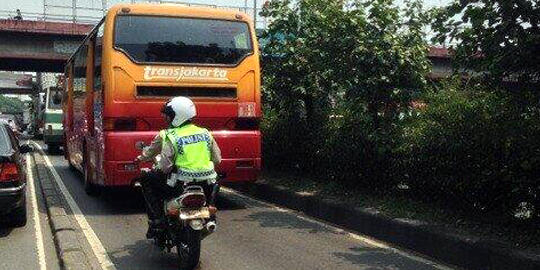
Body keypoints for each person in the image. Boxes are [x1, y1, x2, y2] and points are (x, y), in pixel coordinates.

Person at [135, 96, 221, 238]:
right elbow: (217, 159)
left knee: (146, 178)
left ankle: (157, 220)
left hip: (180, 184)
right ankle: (210, 218)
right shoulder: (205, 133)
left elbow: (164, 167)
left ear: (177, 116)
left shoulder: (171, 136)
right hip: (207, 184)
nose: (166, 119)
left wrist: (154, 167)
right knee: (216, 181)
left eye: (168, 116)